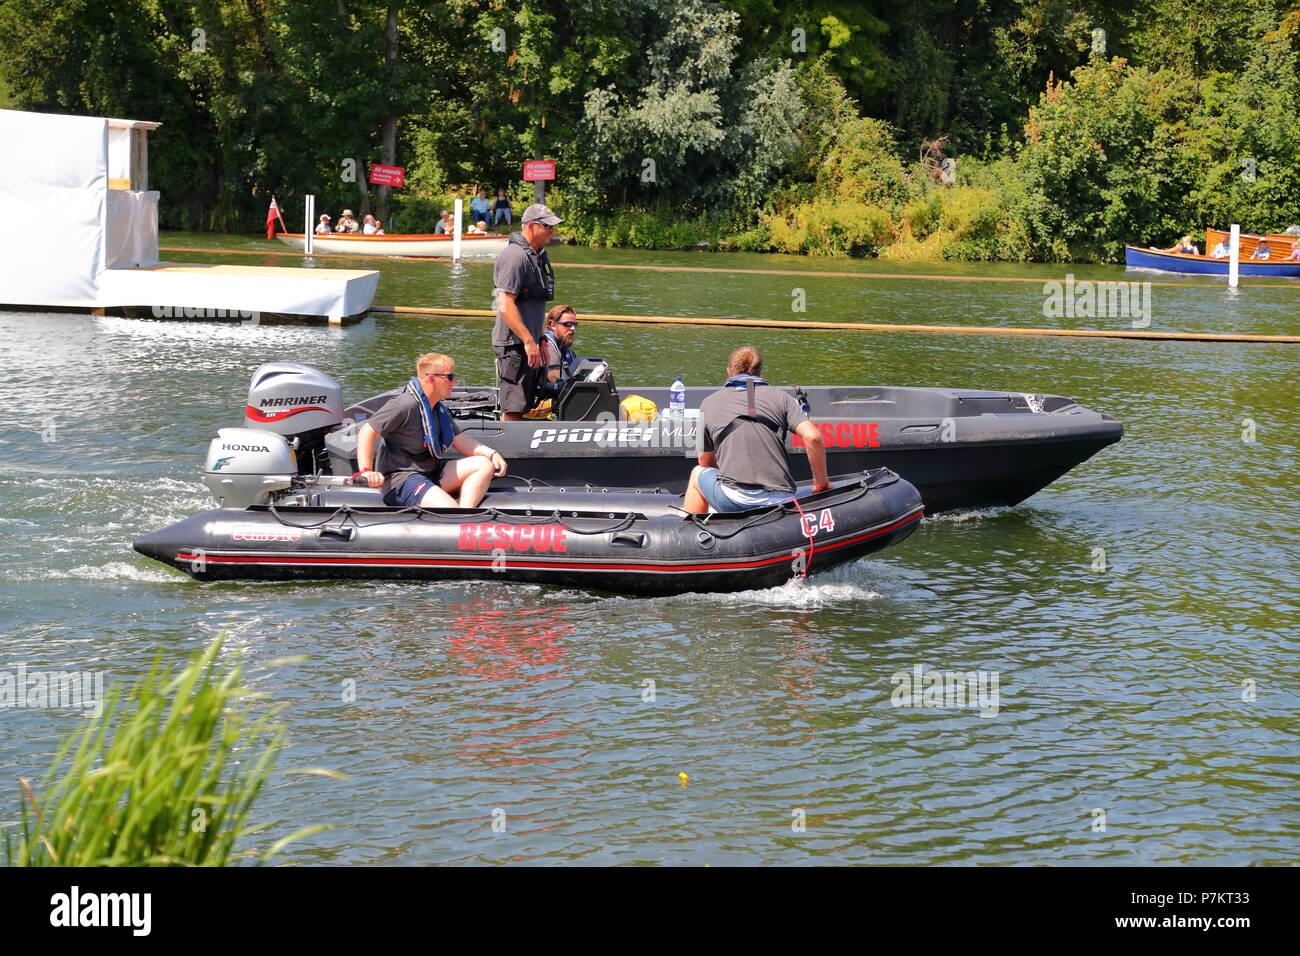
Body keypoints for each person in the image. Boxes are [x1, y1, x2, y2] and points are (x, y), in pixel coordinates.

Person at [684, 346, 830, 514]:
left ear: (729, 372)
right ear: (760, 372)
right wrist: (821, 483)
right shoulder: (782, 398)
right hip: (781, 499)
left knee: (697, 472)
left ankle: (696, 531)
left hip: (734, 500)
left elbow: (705, 462)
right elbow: (813, 438)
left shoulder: (708, 403)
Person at [354, 352, 507, 508]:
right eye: (450, 377)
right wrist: (366, 471)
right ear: (431, 378)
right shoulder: (404, 405)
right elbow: (367, 431)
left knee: (484, 464)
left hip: (432, 474)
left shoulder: (438, 408)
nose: (454, 382)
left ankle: (464, 515)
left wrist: (492, 453)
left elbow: (459, 440)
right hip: (402, 480)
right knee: (448, 508)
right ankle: (456, 516)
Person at [492, 203, 561, 421]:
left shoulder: (536, 255)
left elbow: (536, 305)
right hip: (514, 344)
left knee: (526, 402)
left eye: (553, 226)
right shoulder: (515, 257)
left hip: (530, 341)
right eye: (547, 226)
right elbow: (505, 304)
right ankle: (510, 451)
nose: (552, 230)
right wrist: (528, 341)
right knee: (514, 406)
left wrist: (541, 340)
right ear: (531, 226)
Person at [538, 304, 580, 398]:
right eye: (567, 324)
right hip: (540, 403)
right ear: (553, 325)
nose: (573, 328)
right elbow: (555, 380)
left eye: (574, 324)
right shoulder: (547, 346)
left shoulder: (569, 351)